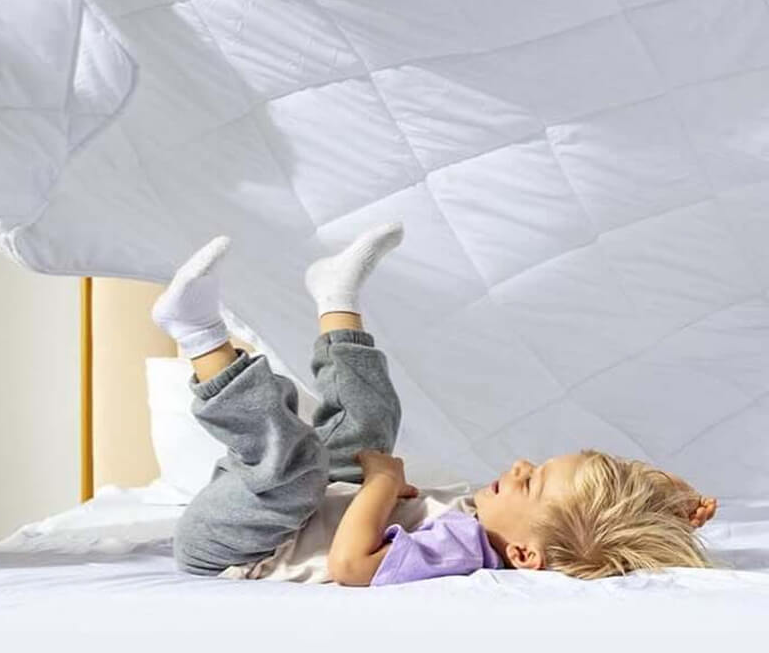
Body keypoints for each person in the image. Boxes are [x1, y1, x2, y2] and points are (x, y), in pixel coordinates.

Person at [152, 226, 715, 586]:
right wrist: (669, 505)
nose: (519, 468)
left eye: (532, 484)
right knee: (371, 428)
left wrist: (378, 486)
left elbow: (352, 565)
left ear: (524, 555)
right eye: (535, 468)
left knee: (297, 467)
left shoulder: (467, 551)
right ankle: (336, 301)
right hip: (314, 503)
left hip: (240, 543)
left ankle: (201, 337)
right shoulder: (488, 522)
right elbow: (605, 528)